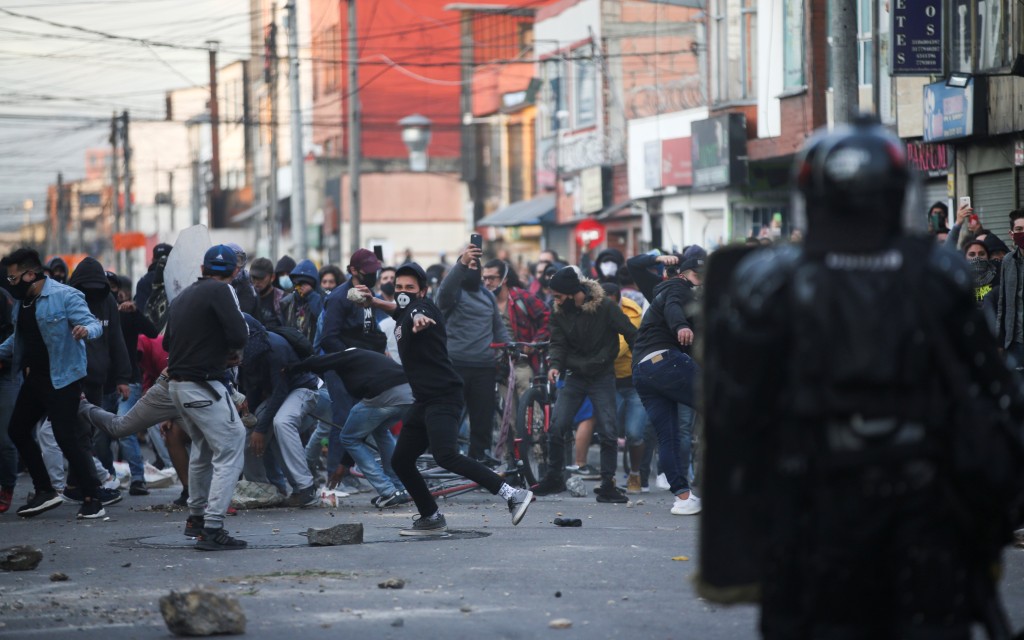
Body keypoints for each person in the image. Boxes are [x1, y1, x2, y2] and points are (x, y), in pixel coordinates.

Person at [704, 116, 1024, 638]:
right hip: (921, 527)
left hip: (814, 527)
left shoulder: (768, 281)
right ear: (896, 192)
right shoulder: (939, 277)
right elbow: (994, 398)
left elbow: (732, 418)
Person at [389, 262, 533, 536]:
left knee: (446, 456)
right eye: (398, 287)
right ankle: (430, 517)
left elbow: (419, 312)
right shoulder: (403, 312)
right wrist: (371, 300)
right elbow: (398, 308)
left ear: (422, 291)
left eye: (409, 287)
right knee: (401, 461)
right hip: (424, 401)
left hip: (443, 397)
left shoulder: (424, 309)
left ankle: (512, 494)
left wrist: (419, 318)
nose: (403, 292)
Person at [0, 247, 105, 518]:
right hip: (35, 378)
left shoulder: (64, 295)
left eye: (12, 278)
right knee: (17, 430)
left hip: (64, 378)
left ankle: (93, 497)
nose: (10, 284)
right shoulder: (23, 304)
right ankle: (45, 491)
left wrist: (85, 331)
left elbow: (94, 324)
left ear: (30, 274)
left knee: (65, 437)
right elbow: (18, 340)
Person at [163, 244, 249, 551]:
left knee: (202, 447)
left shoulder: (184, 295)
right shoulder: (222, 291)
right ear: (235, 272)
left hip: (178, 386)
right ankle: (212, 528)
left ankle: (196, 518)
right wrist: (225, 353)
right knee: (230, 446)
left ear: (202, 269)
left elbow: (167, 343)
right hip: (202, 385)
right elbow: (240, 335)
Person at [531, 266, 638, 502]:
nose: (555, 300)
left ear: (572, 292)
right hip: (575, 375)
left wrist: (638, 363)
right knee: (557, 425)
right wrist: (555, 365)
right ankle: (553, 478)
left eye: (558, 296)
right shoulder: (560, 311)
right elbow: (557, 342)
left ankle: (607, 484)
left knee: (608, 431)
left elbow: (631, 333)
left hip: (602, 375)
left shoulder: (605, 307)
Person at [626, 250, 703, 515]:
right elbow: (673, 306)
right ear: (683, 274)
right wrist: (682, 326)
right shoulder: (678, 287)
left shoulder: (665, 288)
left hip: (643, 371)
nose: (700, 281)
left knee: (668, 436)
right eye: (696, 275)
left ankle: (683, 499)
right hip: (664, 360)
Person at [291, 347, 412, 508]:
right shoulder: (369, 361)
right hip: (408, 397)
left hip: (384, 396)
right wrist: (345, 464)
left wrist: (290, 367)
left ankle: (387, 491)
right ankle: (399, 489)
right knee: (379, 431)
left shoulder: (348, 355)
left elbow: (317, 362)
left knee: (348, 437)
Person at [436, 244, 510, 464]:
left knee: (482, 417)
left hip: (484, 368)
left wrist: (509, 347)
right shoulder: (453, 294)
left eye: (474, 265)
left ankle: (479, 457)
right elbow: (443, 293)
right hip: (455, 365)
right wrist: (462, 262)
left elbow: (498, 328)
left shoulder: (487, 297)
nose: (471, 268)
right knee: (451, 415)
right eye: (467, 265)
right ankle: (444, 455)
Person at [237, 314, 320, 507]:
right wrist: (250, 413)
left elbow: (280, 391)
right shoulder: (248, 349)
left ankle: (305, 487)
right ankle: (261, 488)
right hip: (275, 394)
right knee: (247, 433)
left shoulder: (274, 347)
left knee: (282, 422)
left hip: (302, 389)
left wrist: (261, 429)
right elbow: (254, 385)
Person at [482, 258, 549, 429]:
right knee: (506, 417)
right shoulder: (483, 301)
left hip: (523, 362)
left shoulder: (521, 297)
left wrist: (534, 342)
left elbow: (548, 318)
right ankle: (507, 455)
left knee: (530, 412)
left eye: (492, 278)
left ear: (504, 279)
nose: (487, 282)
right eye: (484, 278)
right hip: (497, 366)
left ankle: (538, 450)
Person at [996, 209, 1024, 366]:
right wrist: (999, 340)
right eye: (1019, 230)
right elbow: (1003, 302)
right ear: (1011, 233)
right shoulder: (1008, 261)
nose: (1023, 233)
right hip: (1015, 342)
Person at [281, 259, 324, 345]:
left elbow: (322, 318)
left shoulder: (322, 299)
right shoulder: (286, 302)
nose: (302, 287)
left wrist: (311, 295)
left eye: (306, 283)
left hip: (315, 349)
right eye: (299, 283)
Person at [135, 243, 172, 331]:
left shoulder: (143, 281)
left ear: (152, 260)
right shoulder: (176, 279)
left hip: (150, 337)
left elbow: (140, 314)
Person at [249, 257, 284, 329]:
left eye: (261, 278)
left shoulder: (282, 299)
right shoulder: (247, 297)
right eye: (254, 277)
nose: (257, 281)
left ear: (272, 277)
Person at [226, 243, 257, 316]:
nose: (235, 267)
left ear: (243, 262)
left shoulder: (251, 286)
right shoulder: (217, 283)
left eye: (238, 261)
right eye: (230, 261)